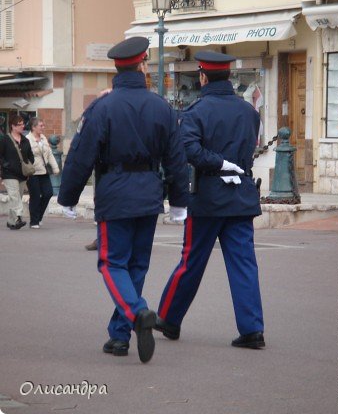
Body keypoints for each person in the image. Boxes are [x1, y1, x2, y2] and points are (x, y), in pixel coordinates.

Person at [57, 36, 189, 363]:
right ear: (143, 64)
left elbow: (81, 154)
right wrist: (179, 202)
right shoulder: (162, 106)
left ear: (116, 67)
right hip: (148, 194)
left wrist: (68, 197)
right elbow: (176, 158)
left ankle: (137, 312)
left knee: (112, 263)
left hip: (115, 193)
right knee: (136, 265)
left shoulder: (103, 106)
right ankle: (119, 337)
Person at [155, 51, 265, 349]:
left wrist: (217, 163)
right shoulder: (249, 112)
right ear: (228, 77)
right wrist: (229, 163)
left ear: (203, 77)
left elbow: (188, 150)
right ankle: (252, 329)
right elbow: (248, 147)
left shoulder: (196, 111)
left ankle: (168, 318)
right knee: (244, 264)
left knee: (191, 260)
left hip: (207, 197)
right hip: (241, 196)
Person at [0, 114, 34, 230]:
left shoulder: (25, 140)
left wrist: (28, 165)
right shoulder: (5, 139)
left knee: (17, 197)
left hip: (22, 174)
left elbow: (30, 156)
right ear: (13, 126)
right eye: (20, 125)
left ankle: (11, 222)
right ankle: (19, 217)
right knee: (14, 197)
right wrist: (5, 165)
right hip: (9, 173)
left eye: (23, 124)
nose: (22, 126)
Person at [26, 117, 60, 228]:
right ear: (33, 127)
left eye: (43, 125)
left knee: (48, 193)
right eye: (41, 126)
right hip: (33, 172)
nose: (43, 127)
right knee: (35, 196)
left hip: (44, 171)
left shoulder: (43, 138)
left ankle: (38, 216)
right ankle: (34, 221)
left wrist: (55, 168)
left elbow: (49, 154)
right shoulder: (27, 139)